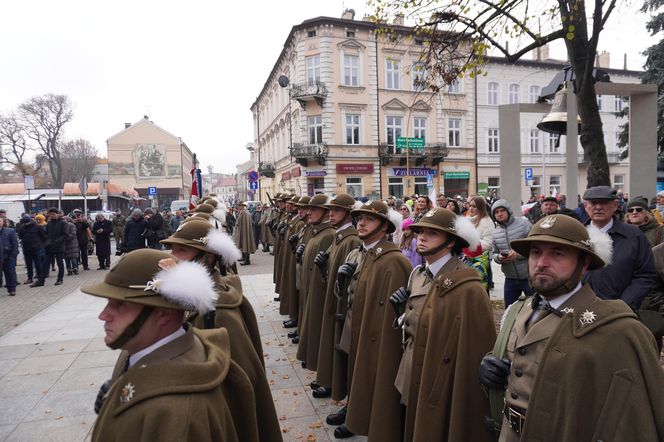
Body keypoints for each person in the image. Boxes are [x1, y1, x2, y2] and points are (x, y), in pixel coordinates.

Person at [480, 214, 664, 441]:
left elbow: (631, 418)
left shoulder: (615, 329)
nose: (542, 263)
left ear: (584, 263)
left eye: (557, 253)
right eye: (536, 252)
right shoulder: (518, 311)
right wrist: (492, 367)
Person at [82, 249, 261, 441]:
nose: (104, 315)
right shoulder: (147, 350)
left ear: (164, 313)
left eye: (120, 305)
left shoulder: (174, 415)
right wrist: (120, 390)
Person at [160, 219, 282, 442]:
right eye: (172, 249)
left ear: (208, 257)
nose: (172, 257)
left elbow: (241, 387)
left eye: (182, 250)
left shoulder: (217, 315)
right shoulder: (192, 299)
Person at [391, 208, 496, 442]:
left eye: (432, 233)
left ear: (451, 242)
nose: (422, 237)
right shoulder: (418, 274)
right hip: (413, 369)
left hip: (441, 381)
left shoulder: (468, 286)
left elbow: (476, 348)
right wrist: (402, 315)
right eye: (420, 232)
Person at [333, 200, 411, 440]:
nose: (362, 223)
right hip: (357, 325)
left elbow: (393, 311)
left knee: (375, 378)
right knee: (356, 373)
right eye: (359, 218)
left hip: (377, 334)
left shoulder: (394, 260)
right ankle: (355, 413)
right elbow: (351, 294)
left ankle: (374, 422)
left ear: (386, 226)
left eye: (370, 219)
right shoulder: (360, 253)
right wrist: (341, 282)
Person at [312, 193, 362, 403]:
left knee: (341, 346)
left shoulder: (351, 240)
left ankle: (338, 386)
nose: (331, 214)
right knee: (332, 341)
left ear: (349, 213)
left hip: (342, 305)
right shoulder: (340, 237)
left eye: (337, 210)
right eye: (330, 210)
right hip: (334, 298)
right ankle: (331, 380)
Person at [581, 186, 657, 310]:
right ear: (585, 206)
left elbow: (645, 275)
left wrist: (623, 305)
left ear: (615, 205)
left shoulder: (634, 235)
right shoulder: (576, 233)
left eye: (604, 202)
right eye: (593, 203)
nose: (598, 207)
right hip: (579, 311)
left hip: (620, 314)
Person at [295, 194, 335, 373]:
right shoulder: (317, 231)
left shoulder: (327, 235)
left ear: (325, 212)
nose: (309, 212)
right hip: (309, 287)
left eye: (314, 209)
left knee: (318, 326)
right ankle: (310, 355)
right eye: (308, 209)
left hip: (318, 290)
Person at [491, 199, 534, 308]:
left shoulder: (524, 224)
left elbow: (535, 247)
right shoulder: (495, 233)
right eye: (496, 212)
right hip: (510, 278)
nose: (499, 214)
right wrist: (499, 258)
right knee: (509, 310)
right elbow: (494, 253)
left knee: (535, 307)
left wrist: (518, 255)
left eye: (502, 211)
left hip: (529, 276)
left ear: (508, 211)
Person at [17, 214, 47, 286]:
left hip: (36, 248)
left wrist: (39, 244)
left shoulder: (38, 226)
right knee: (29, 264)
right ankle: (30, 278)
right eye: (25, 223)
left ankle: (40, 278)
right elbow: (20, 236)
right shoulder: (22, 227)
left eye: (27, 223)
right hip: (26, 248)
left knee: (38, 263)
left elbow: (44, 237)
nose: (26, 224)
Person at [45, 208, 66, 286]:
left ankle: (60, 279)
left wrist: (57, 241)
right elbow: (46, 234)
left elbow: (65, 235)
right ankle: (41, 280)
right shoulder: (49, 223)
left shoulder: (63, 223)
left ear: (57, 214)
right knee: (46, 263)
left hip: (59, 246)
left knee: (60, 263)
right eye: (50, 215)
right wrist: (47, 242)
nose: (51, 216)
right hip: (50, 246)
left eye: (53, 214)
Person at [0, 218, 19, 296]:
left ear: (2, 222)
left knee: (10, 273)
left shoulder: (10, 231)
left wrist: (12, 256)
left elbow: (15, 245)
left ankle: (12, 289)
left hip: (8, 256)